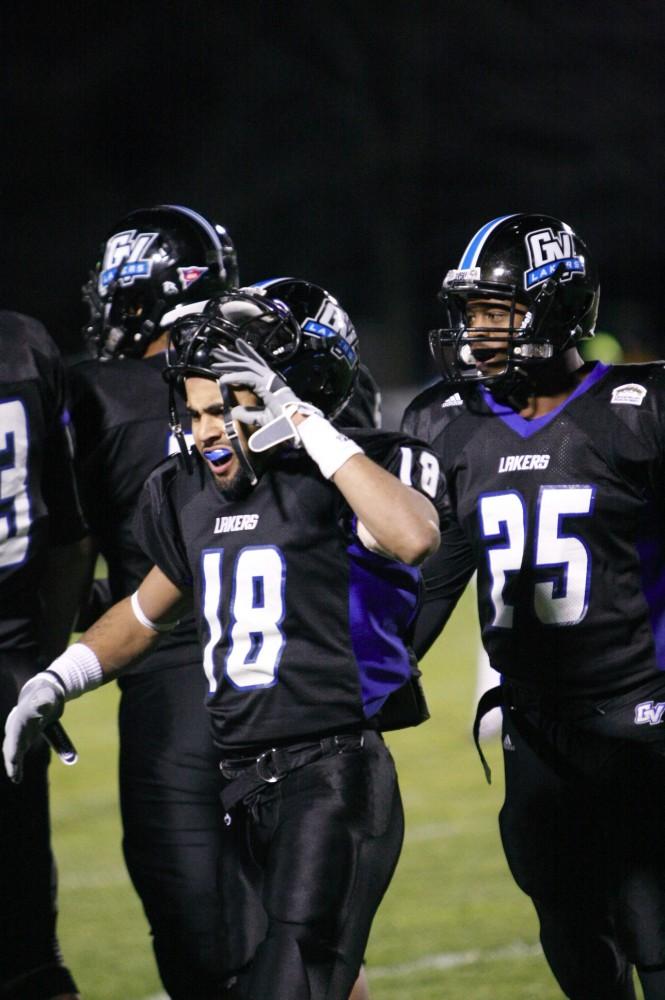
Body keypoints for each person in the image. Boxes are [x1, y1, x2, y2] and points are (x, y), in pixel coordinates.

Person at [21, 285, 446, 999]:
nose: (204, 432)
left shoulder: (350, 472)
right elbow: (142, 614)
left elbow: (414, 536)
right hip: (243, 787)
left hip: (331, 777)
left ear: (287, 391)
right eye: (191, 413)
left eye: (222, 408)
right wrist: (57, 678)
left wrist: (306, 424)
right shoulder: (189, 494)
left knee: (293, 977)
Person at [72, 206, 381, 1000]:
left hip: (188, 690)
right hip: (295, 677)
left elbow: (73, 554)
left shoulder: (100, 393)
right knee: (311, 950)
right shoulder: (291, 375)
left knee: (213, 949)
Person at [403, 212, 665, 1000]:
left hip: (639, 718)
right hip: (534, 728)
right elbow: (425, 585)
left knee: (652, 924)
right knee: (568, 927)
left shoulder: (636, 407)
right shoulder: (447, 425)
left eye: (495, 314)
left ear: (553, 310)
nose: (476, 335)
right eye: (470, 316)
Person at [0, 310, 90, 1000]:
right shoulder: (23, 345)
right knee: (28, 953)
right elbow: (68, 540)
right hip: (13, 672)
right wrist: (43, 666)